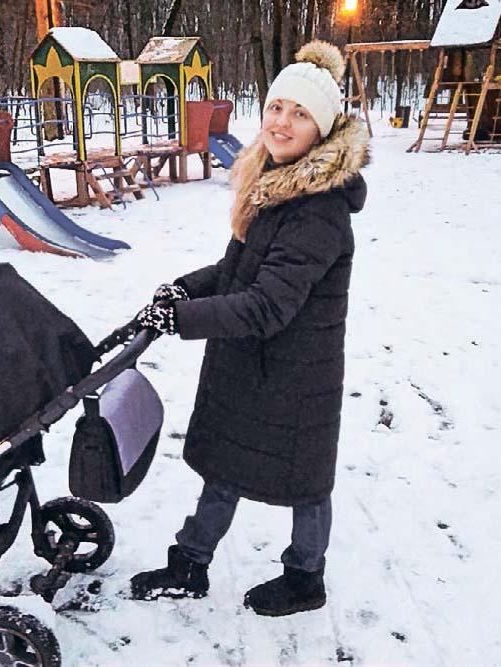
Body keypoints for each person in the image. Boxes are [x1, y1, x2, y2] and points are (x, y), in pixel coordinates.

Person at [130, 40, 370, 617]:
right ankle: (190, 562)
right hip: (255, 365)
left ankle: (306, 578)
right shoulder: (276, 182)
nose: (281, 122)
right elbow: (237, 268)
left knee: (306, 482)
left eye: (300, 113)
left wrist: (181, 320)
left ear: (323, 128)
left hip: (294, 374)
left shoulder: (318, 208)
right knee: (226, 464)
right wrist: (184, 289)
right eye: (276, 107)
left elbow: (266, 306)